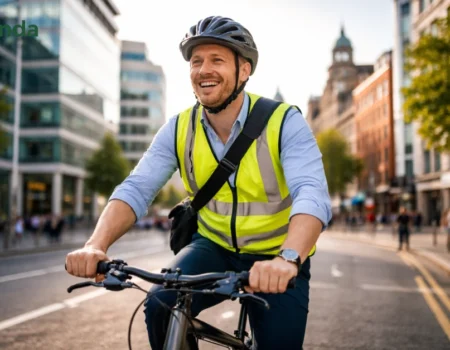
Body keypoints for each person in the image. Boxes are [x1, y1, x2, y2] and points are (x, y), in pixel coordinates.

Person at [65, 15, 332, 349]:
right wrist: (96, 244)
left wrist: (289, 258)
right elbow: (136, 187)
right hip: (213, 247)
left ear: (244, 70)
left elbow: (312, 194)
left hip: (277, 254)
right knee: (160, 303)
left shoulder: (284, 122)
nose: (204, 70)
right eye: (196, 62)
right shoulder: (179, 128)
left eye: (217, 60)